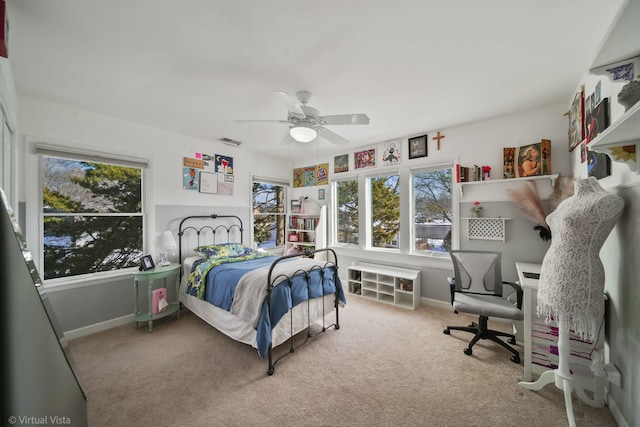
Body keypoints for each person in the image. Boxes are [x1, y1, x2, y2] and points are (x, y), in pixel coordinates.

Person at [537, 177, 624, 341]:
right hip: (553, 267)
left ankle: (592, 364)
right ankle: (562, 366)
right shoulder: (567, 203)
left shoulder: (606, 201)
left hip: (581, 270)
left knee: (575, 329)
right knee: (561, 330)